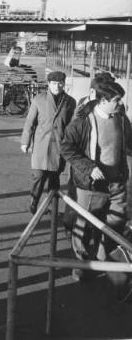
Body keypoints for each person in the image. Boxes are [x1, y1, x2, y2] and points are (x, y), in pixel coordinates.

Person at [61, 79, 132, 282]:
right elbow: (67, 148)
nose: (120, 104)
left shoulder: (121, 119)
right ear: (102, 100)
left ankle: (103, 260)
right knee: (83, 226)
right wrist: (89, 168)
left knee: (115, 224)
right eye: (117, 100)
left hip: (117, 184)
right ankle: (82, 265)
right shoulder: (83, 122)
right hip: (92, 187)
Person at [20, 71, 76, 214]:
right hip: (41, 145)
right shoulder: (39, 99)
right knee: (38, 176)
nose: (57, 86)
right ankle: (33, 202)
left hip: (59, 145)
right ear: (48, 84)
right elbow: (29, 123)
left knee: (54, 178)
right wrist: (25, 141)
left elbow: (70, 125)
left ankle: (52, 207)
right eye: (53, 83)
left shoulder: (70, 102)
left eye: (60, 83)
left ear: (64, 83)